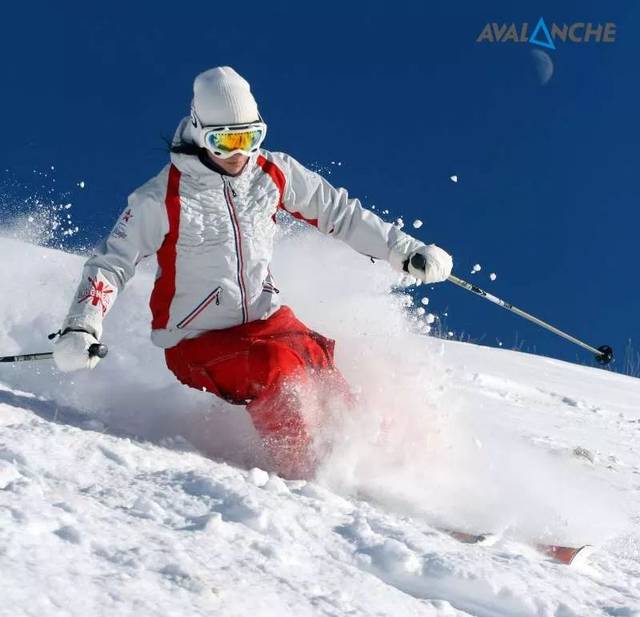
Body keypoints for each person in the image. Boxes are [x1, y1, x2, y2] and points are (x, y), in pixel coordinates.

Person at [52, 66, 453, 478]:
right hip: (196, 341)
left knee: (318, 364)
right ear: (199, 131)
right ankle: (307, 473)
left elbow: (340, 213)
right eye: (224, 142)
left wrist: (403, 250)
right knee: (277, 366)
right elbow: (111, 263)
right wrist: (82, 326)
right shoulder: (161, 197)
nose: (239, 153)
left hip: (266, 319)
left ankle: (374, 470)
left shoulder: (272, 173)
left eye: (250, 138)